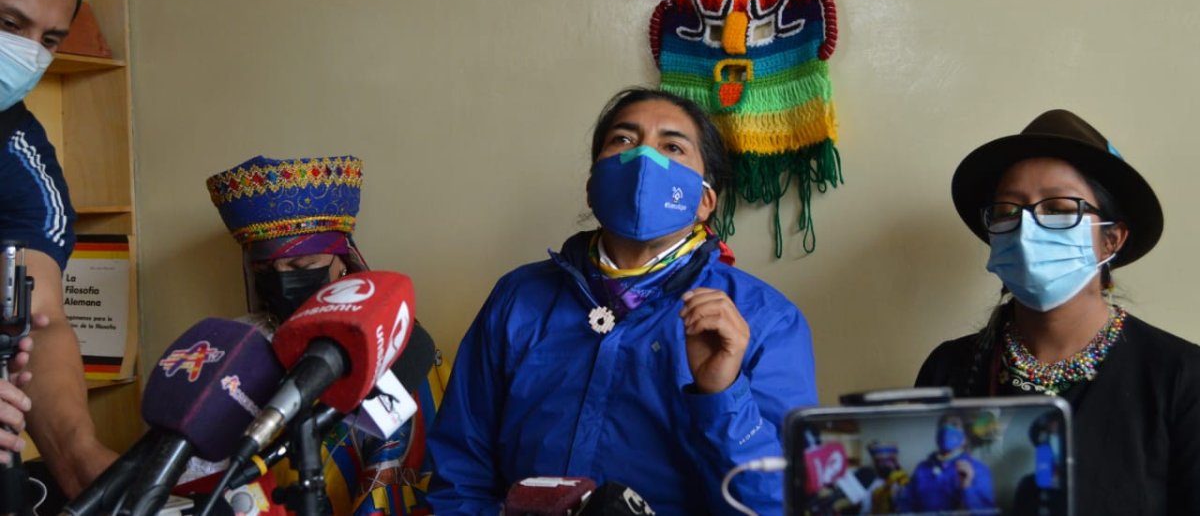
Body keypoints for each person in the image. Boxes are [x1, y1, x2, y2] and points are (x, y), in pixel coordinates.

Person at [427, 88, 818, 514]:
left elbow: (779, 504)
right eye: (624, 141)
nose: (644, 160)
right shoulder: (518, 298)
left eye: (672, 146)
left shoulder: (765, 320)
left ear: (705, 200)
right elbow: (458, 471)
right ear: (593, 185)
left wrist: (723, 393)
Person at [914, 109, 1200, 513]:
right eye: (1008, 211)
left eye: (1060, 208)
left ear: (1110, 240)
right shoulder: (949, 369)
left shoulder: (1180, 377)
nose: (1028, 228)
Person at [206, 154, 444, 516]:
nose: (283, 279)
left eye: (302, 266)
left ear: (341, 261)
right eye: (265, 269)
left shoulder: (398, 341)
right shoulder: (239, 343)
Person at [0, 0, 116, 495]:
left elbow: (36, 323)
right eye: (8, 24)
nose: (27, 55)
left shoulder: (22, 158)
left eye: (47, 39)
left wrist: (79, 456)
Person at [894, 413, 994, 513]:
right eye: (943, 426)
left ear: (964, 438)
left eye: (954, 425)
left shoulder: (979, 470)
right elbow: (907, 505)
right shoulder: (922, 468)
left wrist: (967, 486)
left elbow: (987, 513)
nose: (947, 430)